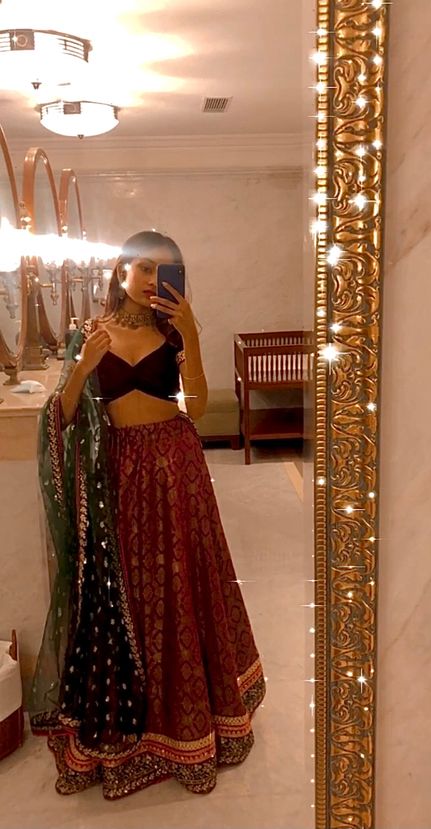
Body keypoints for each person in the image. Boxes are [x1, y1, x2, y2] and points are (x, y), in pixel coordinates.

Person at [29, 230, 266, 800]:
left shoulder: (174, 331)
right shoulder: (90, 334)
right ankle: (132, 728)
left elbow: (199, 408)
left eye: (165, 270)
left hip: (176, 468)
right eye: (142, 268)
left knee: (183, 582)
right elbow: (62, 417)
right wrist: (83, 367)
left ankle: (194, 720)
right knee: (128, 589)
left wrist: (193, 339)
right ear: (121, 271)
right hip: (117, 474)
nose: (151, 280)